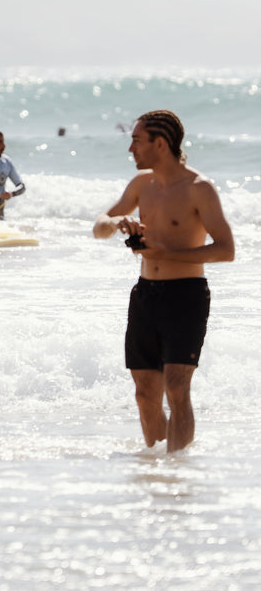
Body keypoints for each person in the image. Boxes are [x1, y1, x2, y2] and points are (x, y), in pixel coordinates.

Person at [93, 110, 235, 453]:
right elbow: (99, 226)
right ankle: (161, 473)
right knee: (145, 393)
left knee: (176, 385)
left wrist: (165, 254)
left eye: (137, 140)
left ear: (160, 143)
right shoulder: (142, 184)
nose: (131, 148)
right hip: (146, 295)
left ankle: (178, 470)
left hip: (185, 295)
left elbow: (226, 250)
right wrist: (117, 222)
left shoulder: (199, 189)